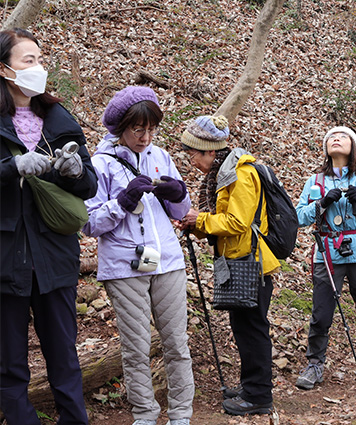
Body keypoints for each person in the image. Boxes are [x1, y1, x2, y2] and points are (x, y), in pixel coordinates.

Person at [0, 28, 97, 425]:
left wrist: (74, 172)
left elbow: (90, 184)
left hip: (55, 256)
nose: (38, 67)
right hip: (6, 259)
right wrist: (11, 168)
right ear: (4, 69)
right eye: (28, 60)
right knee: (9, 362)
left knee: (63, 354)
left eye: (40, 59)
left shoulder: (57, 115)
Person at [83, 86, 194, 425]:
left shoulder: (160, 157)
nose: (146, 137)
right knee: (136, 346)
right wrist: (122, 202)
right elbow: (89, 223)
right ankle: (145, 414)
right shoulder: (100, 164)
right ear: (121, 128)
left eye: (151, 129)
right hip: (123, 266)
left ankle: (181, 415)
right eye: (138, 129)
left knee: (177, 343)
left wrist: (179, 194)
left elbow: (181, 210)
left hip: (168, 260)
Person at [178, 115, 278, 416]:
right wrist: (195, 225)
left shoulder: (241, 174)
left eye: (193, 153)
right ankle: (251, 388)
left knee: (253, 329)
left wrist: (200, 219)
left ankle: (259, 397)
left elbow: (237, 221)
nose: (191, 160)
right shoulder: (222, 175)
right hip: (236, 262)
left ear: (210, 150)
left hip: (252, 263)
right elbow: (220, 221)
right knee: (243, 327)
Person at [294, 126, 356, 394]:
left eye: (343, 136)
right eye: (332, 137)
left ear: (353, 147)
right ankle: (314, 364)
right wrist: (321, 204)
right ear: (325, 148)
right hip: (327, 254)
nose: (336, 139)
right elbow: (299, 217)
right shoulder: (315, 182)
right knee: (321, 313)